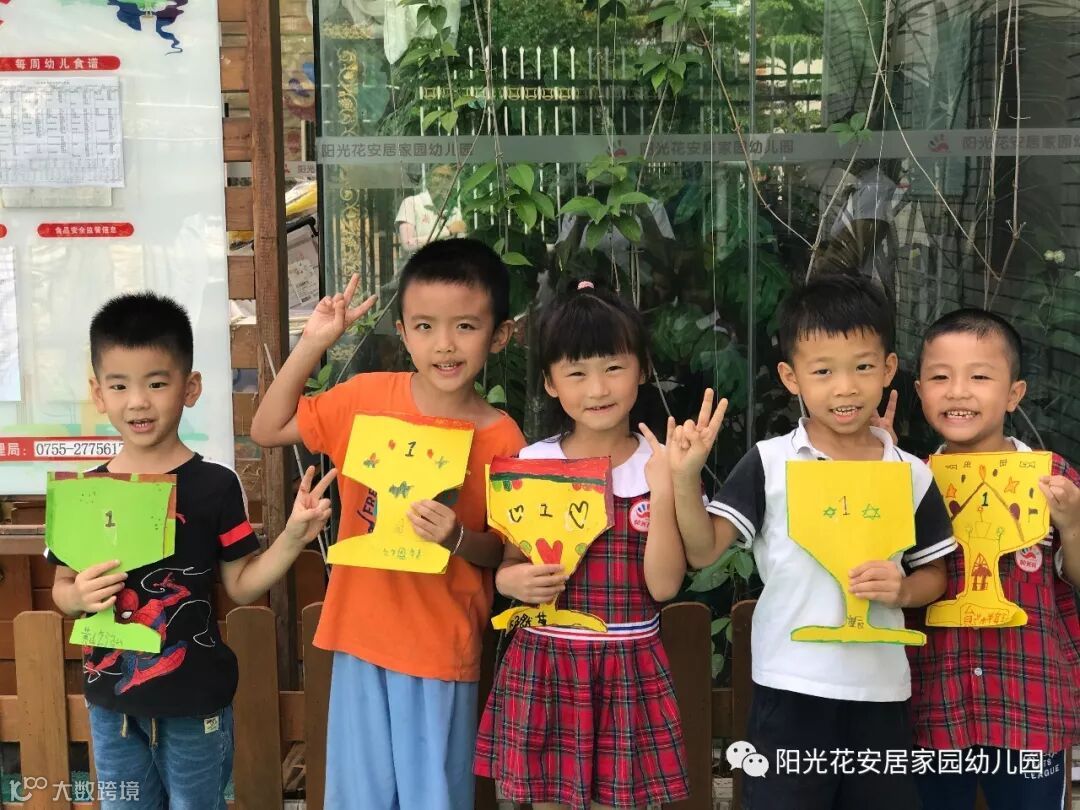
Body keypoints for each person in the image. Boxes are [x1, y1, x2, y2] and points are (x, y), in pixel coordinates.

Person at [249, 238, 525, 810]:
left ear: (499, 335)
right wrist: (314, 343)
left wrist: (455, 537)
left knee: (433, 799)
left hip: (440, 647)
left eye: (466, 327)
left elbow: (503, 556)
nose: (444, 344)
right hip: (359, 637)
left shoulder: (503, 440)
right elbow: (267, 427)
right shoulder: (365, 398)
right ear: (402, 332)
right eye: (424, 326)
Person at [668, 273, 957, 810]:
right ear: (791, 376)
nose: (844, 387)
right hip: (789, 687)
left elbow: (934, 574)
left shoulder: (911, 474)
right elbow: (705, 551)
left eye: (863, 367)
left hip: (880, 691)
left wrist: (903, 589)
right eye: (823, 371)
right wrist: (686, 478)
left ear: (888, 369)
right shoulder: (770, 462)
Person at [49, 292, 334, 810]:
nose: (138, 401)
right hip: (111, 703)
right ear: (98, 393)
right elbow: (62, 587)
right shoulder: (84, 491)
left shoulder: (215, 486)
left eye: (157, 383)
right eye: (119, 385)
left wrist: (295, 535)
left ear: (191, 387)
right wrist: (76, 595)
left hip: (194, 699)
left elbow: (240, 584)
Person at [475, 280, 691, 810]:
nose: (597, 388)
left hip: (627, 667)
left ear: (642, 369)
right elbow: (507, 566)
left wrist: (665, 488)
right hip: (546, 664)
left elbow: (664, 586)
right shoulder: (532, 465)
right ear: (550, 383)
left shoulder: (664, 465)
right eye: (576, 372)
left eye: (614, 367)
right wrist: (514, 581)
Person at [906, 308, 1080, 809]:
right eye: (940, 377)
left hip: (1031, 705)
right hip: (933, 703)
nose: (958, 392)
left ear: (1013, 393)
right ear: (920, 391)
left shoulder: (1051, 477)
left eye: (980, 377)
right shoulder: (908, 478)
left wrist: (1071, 524)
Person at [396, 164, 467, 254]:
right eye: (440, 175)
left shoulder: (454, 211)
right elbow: (408, 244)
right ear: (429, 179)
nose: (443, 180)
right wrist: (448, 231)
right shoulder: (411, 203)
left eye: (448, 177)